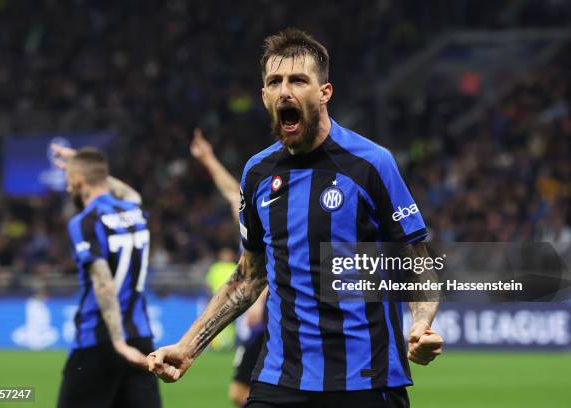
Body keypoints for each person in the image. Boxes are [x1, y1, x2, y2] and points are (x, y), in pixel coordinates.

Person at [149, 28, 443, 407]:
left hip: (366, 381)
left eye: (298, 80)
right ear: (264, 96)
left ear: (325, 92)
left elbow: (416, 261)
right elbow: (248, 278)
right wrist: (188, 348)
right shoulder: (257, 173)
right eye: (275, 81)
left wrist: (420, 323)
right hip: (281, 379)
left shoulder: (371, 164)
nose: (285, 90)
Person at [53, 145, 161, 408]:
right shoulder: (133, 211)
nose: (68, 189)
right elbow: (131, 194)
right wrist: (90, 169)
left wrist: (118, 342)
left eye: (69, 181)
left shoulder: (85, 221)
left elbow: (103, 282)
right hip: (140, 337)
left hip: (100, 340)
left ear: (79, 181)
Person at [190, 128, 268, 407]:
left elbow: (279, 260)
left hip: (270, 316)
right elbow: (231, 193)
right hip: (258, 318)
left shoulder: (273, 214)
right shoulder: (252, 212)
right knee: (240, 394)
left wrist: (260, 301)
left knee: (243, 392)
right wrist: (208, 159)